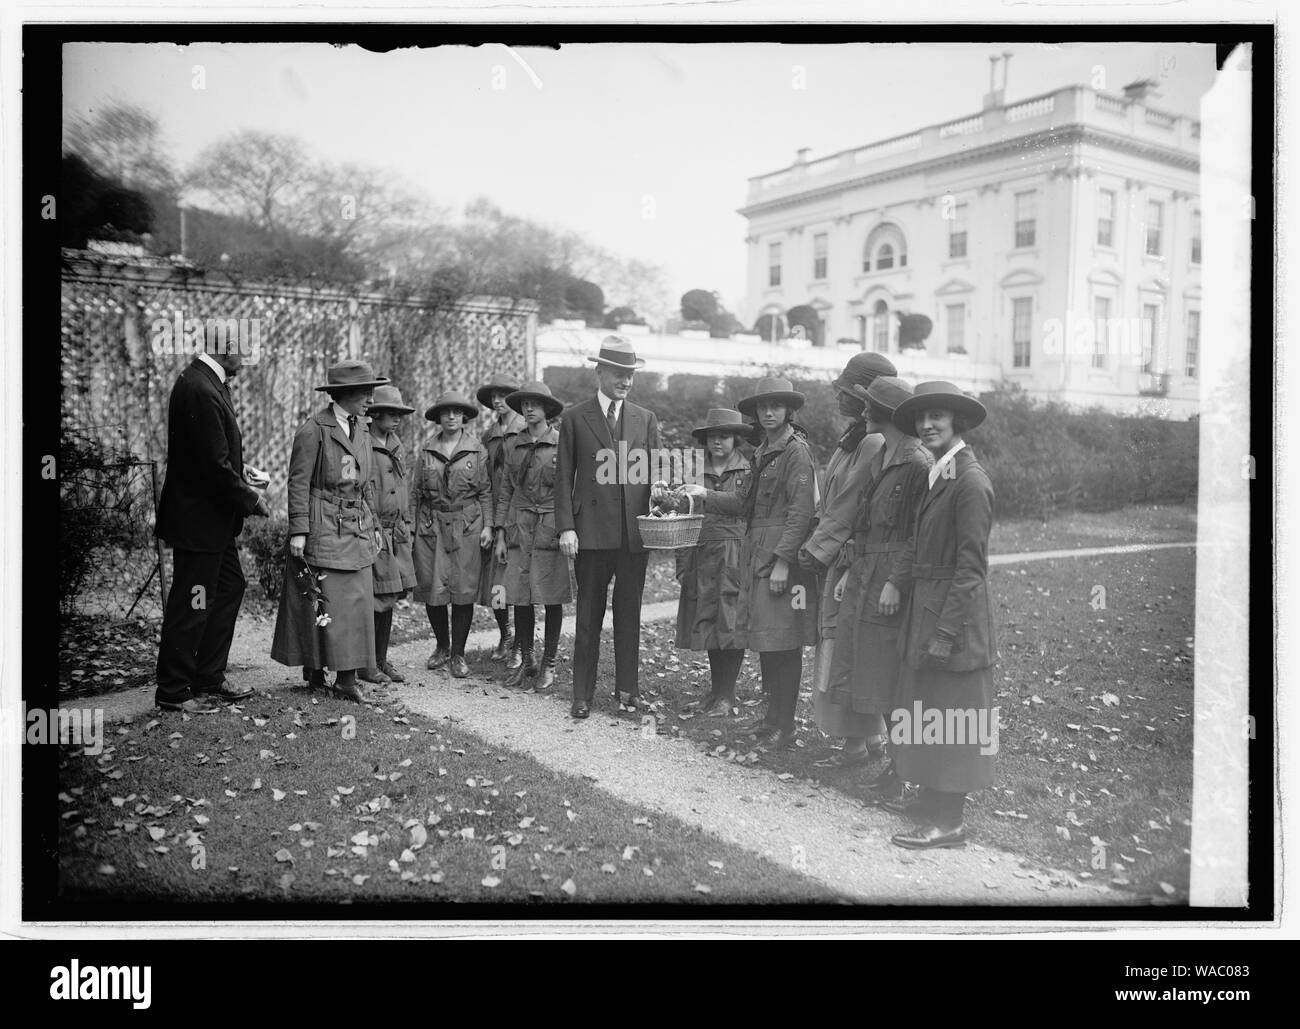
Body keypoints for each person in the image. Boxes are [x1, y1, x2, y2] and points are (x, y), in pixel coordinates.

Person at [886, 381, 997, 850]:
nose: (927, 425)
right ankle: (933, 799)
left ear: (958, 423)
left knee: (955, 714)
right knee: (930, 706)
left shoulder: (970, 481)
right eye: (921, 418)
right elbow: (918, 541)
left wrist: (946, 632)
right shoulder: (940, 473)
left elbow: (971, 569)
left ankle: (950, 821)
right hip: (928, 604)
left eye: (938, 417)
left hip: (957, 616)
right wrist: (897, 579)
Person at [686, 377, 818, 749]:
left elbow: (801, 512)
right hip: (757, 550)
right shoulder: (764, 452)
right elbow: (742, 503)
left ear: (788, 410)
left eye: (776, 405)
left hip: (779, 556)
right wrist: (703, 494)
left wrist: (782, 562)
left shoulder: (796, 452)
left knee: (783, 642)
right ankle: (772, 719)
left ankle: (784, 725)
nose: (769, 412)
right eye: (763, 407)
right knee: (766, 640)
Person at [823, 377, 931, 798]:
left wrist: (895, 583)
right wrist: (852, 568)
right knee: (862, 665)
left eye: (870, 406)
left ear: (887, 413)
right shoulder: (881, 455)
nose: (863, 411)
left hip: (889, 578)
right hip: (866, 571)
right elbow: (865, 523)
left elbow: (916, 536)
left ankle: (902, 769)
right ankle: (892, 764)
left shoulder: (917, 464)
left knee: (889, 673)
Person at [155, 346, 271, 713]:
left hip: (212, 523)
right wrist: (250, 499)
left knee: (229, 585)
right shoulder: (200, 388)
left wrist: (241, 467)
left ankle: (208, 676)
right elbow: (212, 468)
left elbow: (210, 452)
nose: (248, 358)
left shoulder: (206, 382)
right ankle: (173, 690)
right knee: (193, 601)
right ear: (226, 349)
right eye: (244, 351)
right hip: (199, 522)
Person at [555, 336, 662, 720]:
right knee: (588, 614)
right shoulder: (573, 417)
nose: (626, 381)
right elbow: (563, 477)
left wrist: (661, 517)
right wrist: (566, 528)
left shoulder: (644, 419)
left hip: (632, 535)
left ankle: (627, 690)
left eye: (630, 374)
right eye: (619, 373)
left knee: (629, 613)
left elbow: (655, 477)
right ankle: (581, 694)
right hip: (591, 533)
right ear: (599, 372)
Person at [798, 351, 896, 766]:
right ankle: (869, 741)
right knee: (844, 645)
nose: (838, 396)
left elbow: (847, 506)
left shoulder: (871, 442)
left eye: (847, 391)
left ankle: (857, 745)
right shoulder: (854, 438)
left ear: (866, 399)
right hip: (841, 556)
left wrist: (813, 552)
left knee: (845, 647)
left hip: (850, 558)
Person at [271, 360, 389, 702]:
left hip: (357, 526)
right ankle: (320, 672)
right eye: (364, 392)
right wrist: (299, 530)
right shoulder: (314, 430)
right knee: (324, 601)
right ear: (345, 394)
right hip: (323, 525)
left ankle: (346, 679)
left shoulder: (362, 429)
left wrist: (375, 525)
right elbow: (298, 482)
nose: (370, 398)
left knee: (355, 602)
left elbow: (364, 485)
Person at [673, 408, 753, 716]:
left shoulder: (747, 472)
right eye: (712, 437)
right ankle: (714, 691)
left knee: (730, 622)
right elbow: (681, 518)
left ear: (735, 439)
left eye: (724, 436)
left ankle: (727, 695)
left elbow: (748, 512)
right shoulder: (693, 473)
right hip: (701, 552)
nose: (717, 442)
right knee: (707, 619)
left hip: (735, 554)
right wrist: (682, 563)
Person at [493, 381, 571, 692]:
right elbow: (506, 491)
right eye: (524, 403)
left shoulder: (561, 443)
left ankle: (549, 663)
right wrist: (500, 533)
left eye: (535, 403)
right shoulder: (512, 444)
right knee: (520, 598)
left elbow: (569, 490)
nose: (528, 408)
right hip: (520, 526)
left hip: (550, 525)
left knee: (551, 597)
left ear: (547, 409)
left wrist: (567, 529)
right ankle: (528, 660)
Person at [412, 390, 493, 679]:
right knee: (433, 589)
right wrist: (413, 527)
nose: (451, 417)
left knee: (463, 589)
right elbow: (417, 493)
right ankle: (442, 646)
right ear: (438, 418)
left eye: (457, 412)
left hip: (467, 525)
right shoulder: (426, 450)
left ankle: (458, 653)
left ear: (464, 418)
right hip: (432, 525)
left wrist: (488, 525)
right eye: (446, 412)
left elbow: (485, 491)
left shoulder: (476, 449)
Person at [359, 385, 417, 688]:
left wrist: (407, 525)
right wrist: (373, 528)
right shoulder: (364, 444)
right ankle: (366, 664)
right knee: (374, 599)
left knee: (390, 596)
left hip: (397, 532)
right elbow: (364, 490)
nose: (396, 419)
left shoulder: (395, 444)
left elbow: (402, 487)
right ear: (375, 414)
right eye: (391, 413)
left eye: (399, 414)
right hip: (375, 532)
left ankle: (381, 659)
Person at [476, 376, 526, 669]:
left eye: (505, 394)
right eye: (495, 395)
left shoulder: (525, 431)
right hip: (496, 514)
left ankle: (521, 643)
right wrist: (489, 521)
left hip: (520, 515)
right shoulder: (489, 435)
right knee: (496, 583)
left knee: (518, 583)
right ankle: (505, 633)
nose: (498, 399)